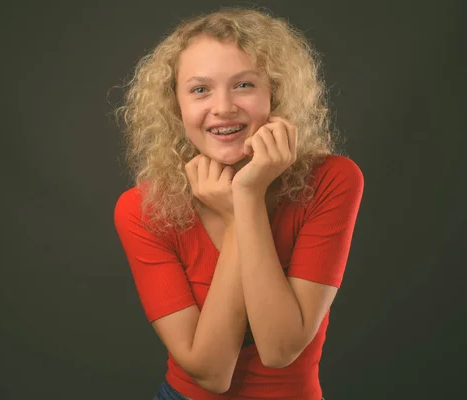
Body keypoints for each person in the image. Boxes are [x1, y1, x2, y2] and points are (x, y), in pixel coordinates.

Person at [113, 7, 363, 400]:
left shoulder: (332, 179)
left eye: (244, 85)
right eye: (200, 89)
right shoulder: (141, 209)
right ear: (175, 107)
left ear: (274, 94)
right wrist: (235, 222)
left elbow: (280, 350)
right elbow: (212, 375)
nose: (224, 107)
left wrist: (246, 197)